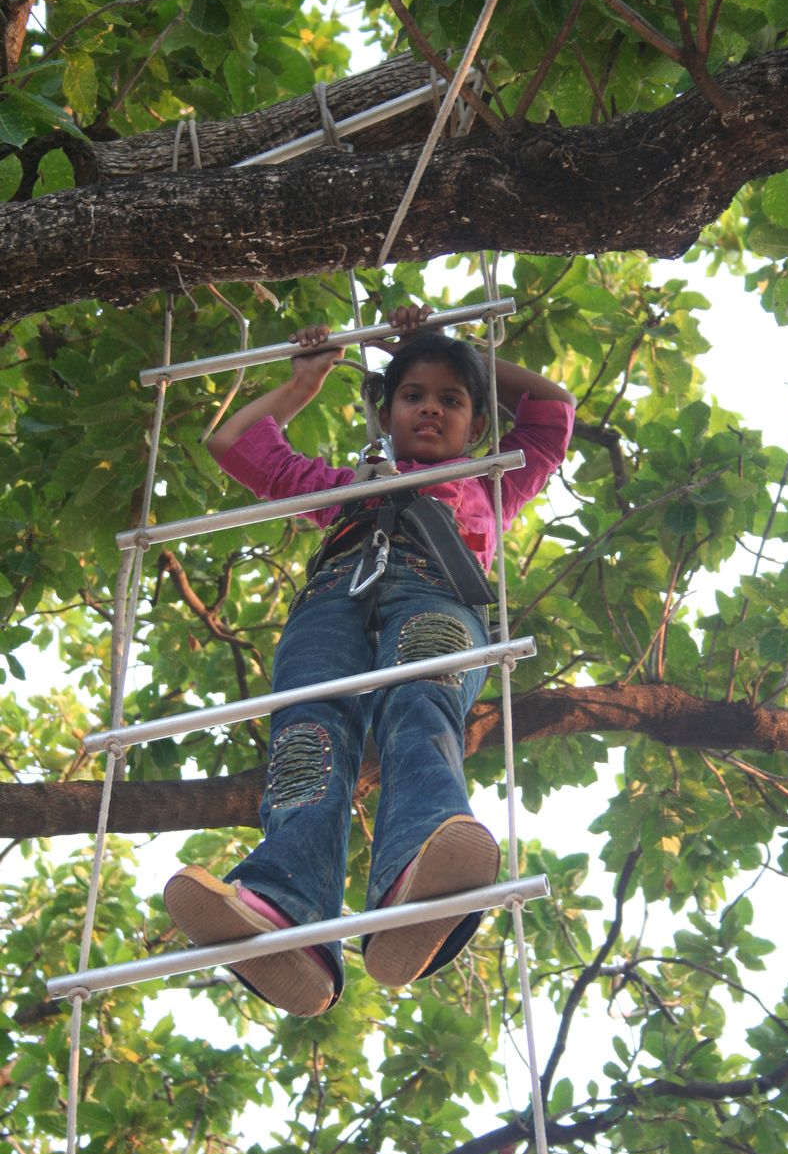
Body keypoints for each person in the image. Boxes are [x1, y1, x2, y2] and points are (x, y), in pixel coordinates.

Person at [164, 304, 576, 1017]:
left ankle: (421, 859)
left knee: (420, 697)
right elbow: (232, 442)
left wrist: (433, 346)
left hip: (436, 592)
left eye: (452, 400)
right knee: (307, 734)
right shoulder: (344, 485)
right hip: (333, 602)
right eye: (413, 395)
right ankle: (285, 904)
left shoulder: (493, 480)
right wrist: (302, 385)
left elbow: (552, 409)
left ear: (478, 425)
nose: (431, 409)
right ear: (386, 415)